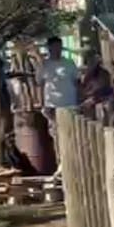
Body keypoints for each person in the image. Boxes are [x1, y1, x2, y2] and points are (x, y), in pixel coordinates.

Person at [36, 36, 78, 167]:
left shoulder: (69, 63)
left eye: (59, 47)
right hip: (52, 105)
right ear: (49, 49)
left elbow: (77, 82)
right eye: (54, 47)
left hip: (70, 104)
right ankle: (61, 163)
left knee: (71, 135)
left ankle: (72, 163)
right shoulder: (44, 65)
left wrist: (81, 102)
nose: (57, 50)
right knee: (56, 135)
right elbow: (39, 84)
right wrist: (41, 103)